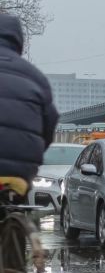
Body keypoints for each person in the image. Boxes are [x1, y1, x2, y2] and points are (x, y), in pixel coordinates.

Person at [0, 13, 58, 192]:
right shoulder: (36, 76)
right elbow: (49, 122)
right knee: (16, 203)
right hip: (21, 171)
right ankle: (20, 218)